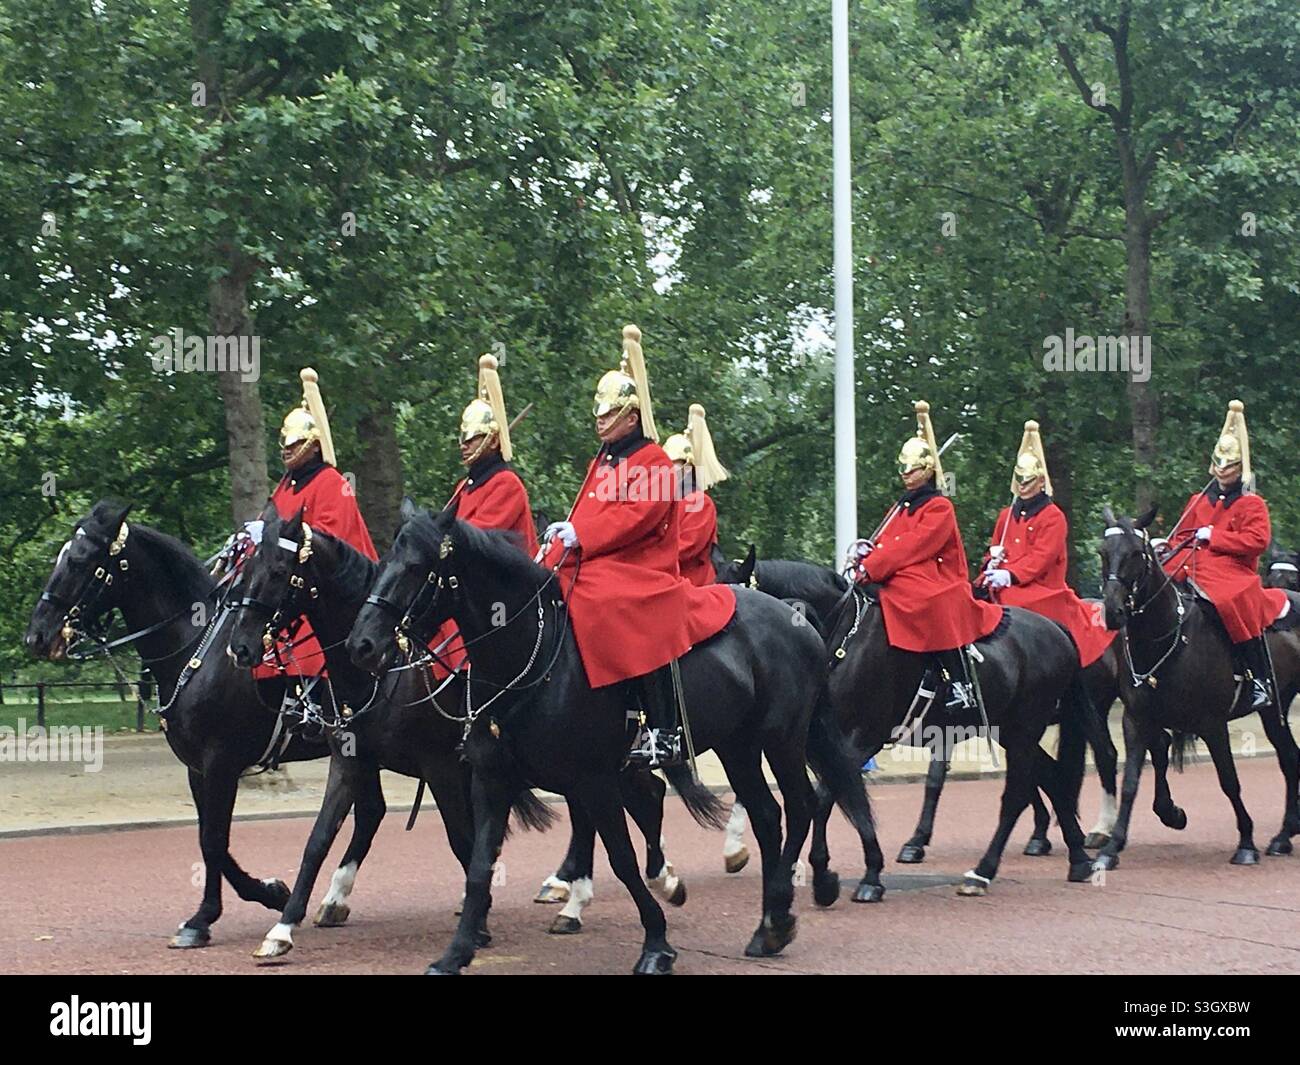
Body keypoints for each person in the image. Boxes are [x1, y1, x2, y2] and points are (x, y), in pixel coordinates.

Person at [541, 325, 735, 768]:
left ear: (631, 417)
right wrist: (556, 545)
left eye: (609, 415)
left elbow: (636, 518)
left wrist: (583, 537)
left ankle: (663, 725)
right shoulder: (605, 460)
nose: (600, 421)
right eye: (599, 414)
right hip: (600, 559)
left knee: (612, 600)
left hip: (641, 566)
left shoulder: (652, 460)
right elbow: (588, 513)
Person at [850, 401, 1001, 710]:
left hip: (939, 578)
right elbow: (890, 542)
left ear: (928, 469)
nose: (906, 474)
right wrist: (866, 551)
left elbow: (915, 545)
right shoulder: (902, 506)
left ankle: (961, 682)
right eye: (903, 469)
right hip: (906, 572)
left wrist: (874, 565)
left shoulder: (939, 507)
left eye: (913, 469)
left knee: (925, 598)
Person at [1162, 399, 1287, 708]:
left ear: (1239, 467)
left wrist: (1215, 536)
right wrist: (1165, 547)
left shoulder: (1252, 504)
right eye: (1218, 463)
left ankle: (1260, 677)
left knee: (1229, 598)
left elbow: (1257, 541)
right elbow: (1181, 534)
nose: (1221, 470)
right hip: (1193, 561)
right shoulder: (1197, 499)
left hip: (1233, 569)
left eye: (1229, 465)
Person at [254, 368, 378, 680]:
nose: (286, 449)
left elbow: (329, 540)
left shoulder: (333, 482)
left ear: (313, 444)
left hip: (322, 589)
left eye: (295, 444)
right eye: (285, 443)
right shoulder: (285, 485)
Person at [427, 354, 539, 675]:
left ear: (491, 440)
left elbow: (477, 539)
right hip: (470, 583)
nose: (464, 445)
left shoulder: (507, 483)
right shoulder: (466, 484)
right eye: (463, 438)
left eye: (473, 438)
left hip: (503, 591)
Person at [975, 420, 1115, 668]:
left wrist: (1009, 575)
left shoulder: (1053, 516)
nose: (1023, 487)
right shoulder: (1006, 515)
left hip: (1041, 587)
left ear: (1041, 482)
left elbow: (1041, 559)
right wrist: (991, 563)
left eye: (1028, 481)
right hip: (1003, 583)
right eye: (1019, 481)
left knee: (1014, 603)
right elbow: (994, 548)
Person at [663, 403, 728, 587]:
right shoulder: (663, 502)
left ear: (687, 468)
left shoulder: (700, 502)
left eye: (671, 465)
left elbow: (685, 548)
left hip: (693, 583)